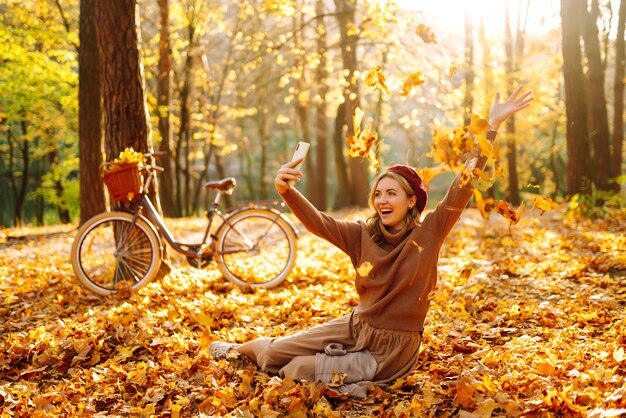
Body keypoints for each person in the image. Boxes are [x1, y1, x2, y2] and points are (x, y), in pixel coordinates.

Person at [210, 86, 533, 398]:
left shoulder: (430, 230)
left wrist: (491, 127)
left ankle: (325, 368)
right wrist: (286, 190)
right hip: (355, 325)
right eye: (377, 194)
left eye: (391, 193)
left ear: (411, 201)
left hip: (392, 350)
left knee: (295, 370)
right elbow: (317, 222)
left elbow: (463, 185)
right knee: (276, 352)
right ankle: (235, 351)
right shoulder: (360, 234)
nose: (382, 200)